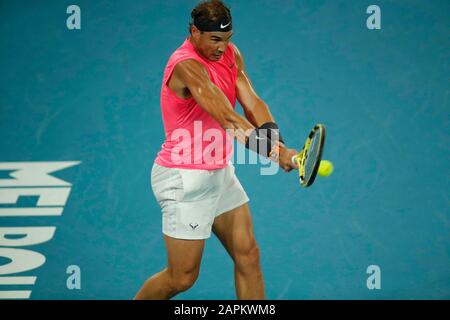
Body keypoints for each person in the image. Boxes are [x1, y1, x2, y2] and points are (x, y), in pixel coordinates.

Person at [135, 0, 298, 300]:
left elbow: (251, 102)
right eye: (214, 39)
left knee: (248, 255)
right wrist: (276, 155)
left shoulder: (231, 55)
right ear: (194, 32)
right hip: (184, 180)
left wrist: (278, 143)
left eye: (227, 39)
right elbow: (227, 117)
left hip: (219, 172)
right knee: (182, 278)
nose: (222, 47)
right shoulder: (186, 66)